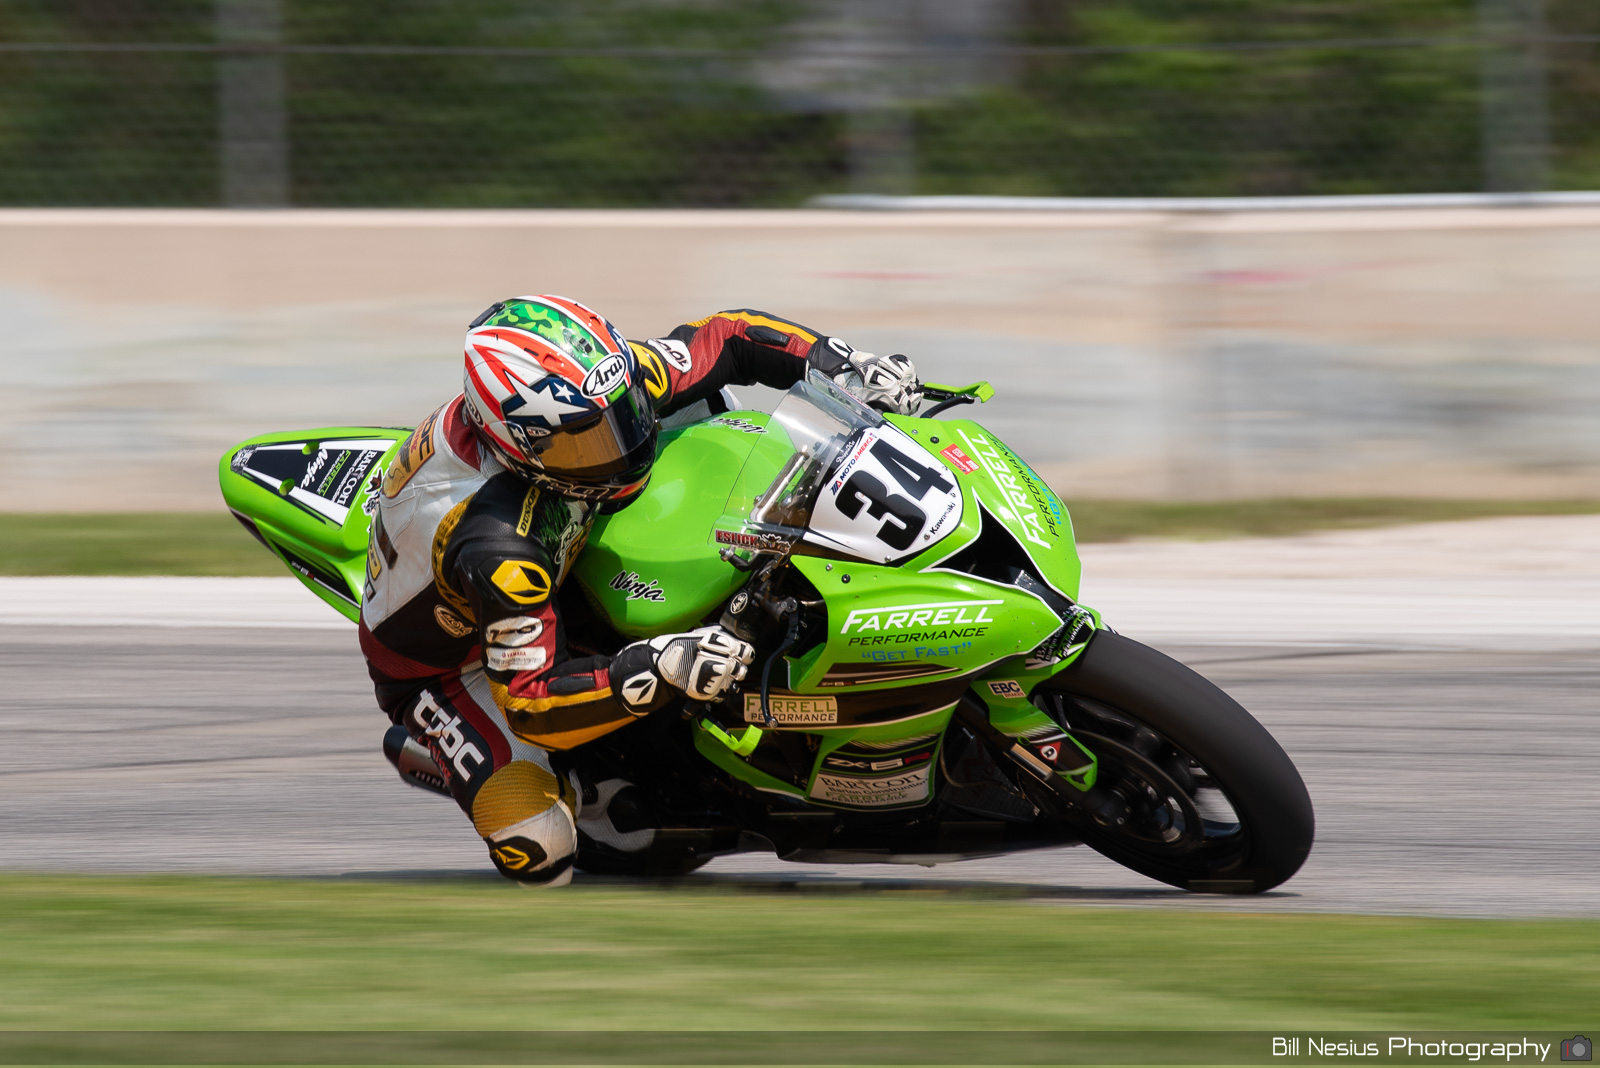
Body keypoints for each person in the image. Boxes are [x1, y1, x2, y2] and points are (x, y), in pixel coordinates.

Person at [359, 295, 920, 885]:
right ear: (519, 444)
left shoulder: (598, 393)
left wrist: (843, 363)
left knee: (703, 400)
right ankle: (502, 768)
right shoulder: (498, 544)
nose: (621, 444)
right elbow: (531, 701)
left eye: (623, 414)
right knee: (539, 849)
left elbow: (726, 338)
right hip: (455, 667)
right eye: (586, 442)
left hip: (557, 547)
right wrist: (663, 665)